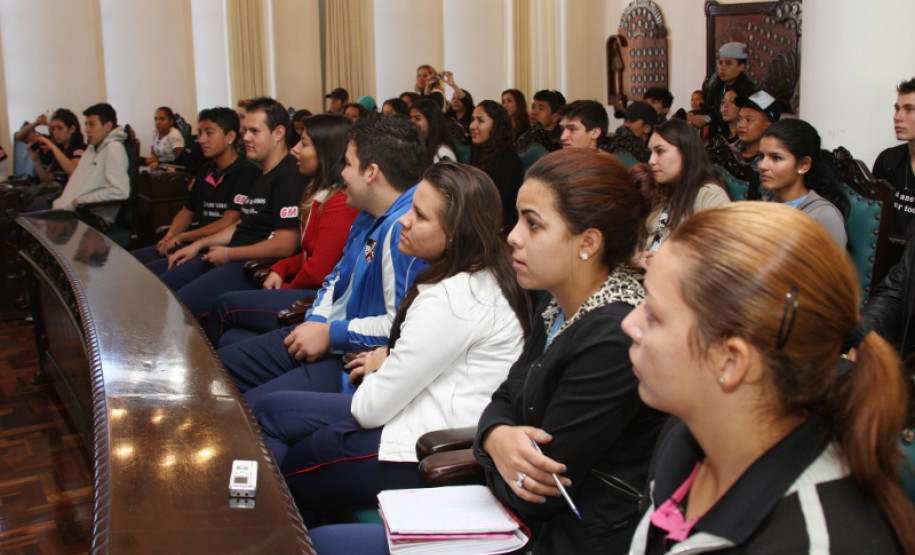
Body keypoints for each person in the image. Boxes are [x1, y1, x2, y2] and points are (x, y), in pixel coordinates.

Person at [624, 202, 915, 553]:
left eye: (653, 314)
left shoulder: (812, 540)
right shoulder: (688, 438)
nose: (629, 323)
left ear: (731, 361)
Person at [252, 162, 529, 518]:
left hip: (427, 440)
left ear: (456, 233)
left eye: (420, 215)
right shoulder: (483, 271)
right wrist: (388, 357)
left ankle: (268, 523)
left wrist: (380, 365)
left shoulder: (453, 298)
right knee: (273, 410)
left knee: (294, 437)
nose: (403, 220)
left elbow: (371, 409)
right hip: (423, 407)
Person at [474, 149, 668, 554]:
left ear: (588, 242)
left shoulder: (614, 335)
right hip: (524, 524)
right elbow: (506, 395)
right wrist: (496, 437)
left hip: (575, 539)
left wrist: (493, 443)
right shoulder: (557, 300)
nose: (512, 236)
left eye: (533, 224)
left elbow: (543, 492)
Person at [216, 115, 427, 399]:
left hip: (353, 355)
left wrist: (329, 334)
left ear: (371, 172)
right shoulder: (368, 213)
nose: (341, 174)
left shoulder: (405, 229)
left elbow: (400, 327)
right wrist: (316, 322)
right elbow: (336, 276)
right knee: (224, 359)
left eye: (348, 164)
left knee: (253, 406)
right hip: (330, 332)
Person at [206, 115, 358, 346]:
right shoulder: (317, 195)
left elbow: (318, 272)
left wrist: (283, 289)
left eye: (304, 144)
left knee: (224, 306)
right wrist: (280, 267)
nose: (295, 149)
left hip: (317, 300)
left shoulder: (338, 203)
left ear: (326, 151)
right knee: (231, 337)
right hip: (307, 290)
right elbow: (310, 254)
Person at [158, 97, 305, 324]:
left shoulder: (288, 177)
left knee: (177, 308)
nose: (245, 137)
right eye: (245, 130)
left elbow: (285, 245)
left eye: (254, 131)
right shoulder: (263, 174)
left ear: (278, 133)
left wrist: (227, 254)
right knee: (161, 286)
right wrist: (198, 244)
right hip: (232, 254)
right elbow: (243, 223)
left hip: (250, 265)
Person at [132, 107, 260, 274]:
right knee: (134, 261)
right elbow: (187, 211)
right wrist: (170, 236)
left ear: (230, 136)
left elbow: (228, 222)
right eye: (200, 133)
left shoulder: (246, 172)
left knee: (152, 272)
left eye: (209, 133)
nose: (201, 139)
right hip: (195, 242)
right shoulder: (206, 170)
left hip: (218, 248)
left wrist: (183, 237)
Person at [637, 118, 729, 266]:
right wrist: (636, 258)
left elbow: (719, 256)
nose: (651, 160)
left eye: (660, 151)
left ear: (685, 153)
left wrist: (669, 262)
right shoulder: (659, 190)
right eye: (651, 152)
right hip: (644, 277)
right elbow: (638, 241)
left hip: (679, 283)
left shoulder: (710, 195)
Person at [759, 118, 848, 248]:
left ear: (803, 165)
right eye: (761, 157)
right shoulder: (763, 205)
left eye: (776, 158)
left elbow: (829, 268)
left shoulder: (823, 216)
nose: (763, 165)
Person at [51, 103, 130, 226]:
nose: (87, 130)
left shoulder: (114, 148)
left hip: (95, 216)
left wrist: (79, 201)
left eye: (92, 124)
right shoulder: (93, 148)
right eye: (86, 124)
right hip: (82, 210)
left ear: (108, 126)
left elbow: (120, 191)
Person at [469, 100, 524, 229]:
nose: (472, 126)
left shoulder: (509, 160)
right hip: (478, 222)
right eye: (472, 120)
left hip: (500, 228)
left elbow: (497, 207)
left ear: (496, 126)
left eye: (480, 121)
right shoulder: (478, 151)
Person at [874, 77, 915, 240]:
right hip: (889, 259)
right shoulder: (888, 159)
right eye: (897, 109)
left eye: (909, 109)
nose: (898, 117)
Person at [687, 42, 756, 137]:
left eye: (728, 63)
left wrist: (707, 119)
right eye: (720, 63)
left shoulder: (750, 90)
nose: (722, 68)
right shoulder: (716, 86)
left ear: (741, 67)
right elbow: (708, 108)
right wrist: (693, 114)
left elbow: (737, 115)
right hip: (717, 141)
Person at [18, 108, 85, 185]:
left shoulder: (80, 148)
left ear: (72, 129)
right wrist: (36, 160)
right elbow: (47, 180)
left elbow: (73, 170)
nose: (55, 132)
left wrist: (52, 146)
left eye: (60, 128)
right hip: (53, 191)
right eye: (53, 129)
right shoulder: (60, 149)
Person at [734, 90, 780, 171]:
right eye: (739, 119)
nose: (741, 125)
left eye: (749, 120)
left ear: (768, 125)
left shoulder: (775, 161)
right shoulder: (728, 152)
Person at [409, 99, 456, 165]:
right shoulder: (416, 146)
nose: (411, 122)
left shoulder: (442, 153)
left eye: (417, 118)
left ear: (431, 121)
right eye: (410, 118)